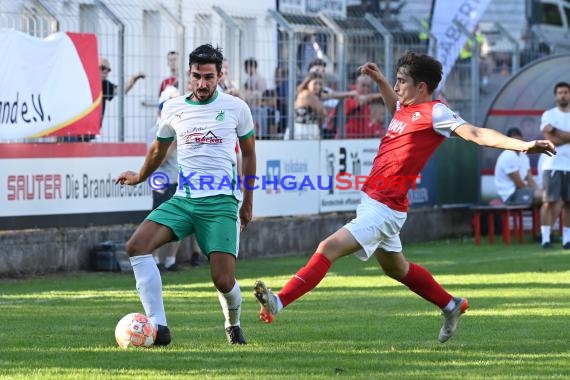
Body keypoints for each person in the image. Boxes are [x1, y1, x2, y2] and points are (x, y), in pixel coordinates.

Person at [254, 51, 555, 343]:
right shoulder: (405, 108)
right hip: (377, 202)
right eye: (396, 81)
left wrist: (523, 146)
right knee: (397, 269)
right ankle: (451, 305)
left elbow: (475, 134)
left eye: (401, 81)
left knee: (328, 247)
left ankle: (279, 301)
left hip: (384, 209)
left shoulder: (436, 112)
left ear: (421, 87)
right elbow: (395, 110)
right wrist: (381, 81)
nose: (397, 87)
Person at [116, 43, 256, 345]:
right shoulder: (173, 107)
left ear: (219, 75)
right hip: (183, 199)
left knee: (223, 280)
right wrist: (140, 176)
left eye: (209, 77)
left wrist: (247, 203)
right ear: (188, 75)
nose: (202, 84)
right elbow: (158, 150)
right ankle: (159, 327)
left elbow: (249, 154)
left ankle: (233, 323)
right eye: (197, 76)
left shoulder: (236, 108)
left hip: (221, 203)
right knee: (137, 246)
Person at [539, 81, 570, 249]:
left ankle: (567, 240)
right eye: (560, 92)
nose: (563, 95)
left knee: (568, 203)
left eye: (565, 92)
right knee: (548, 202)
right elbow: (548, 140)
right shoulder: (548, 114)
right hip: (552, 165)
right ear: (555, 96)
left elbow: (553, 135)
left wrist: (556, 131)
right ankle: (545, 238)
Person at [494, 128, 541, 206]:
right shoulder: (508, 155)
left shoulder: (523, 156)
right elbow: (519, 183)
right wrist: (534, 193)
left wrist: (537, 190)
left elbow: (530, 178)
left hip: (521, 192)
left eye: (519, 140)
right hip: (510, 196)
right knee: (545, 198)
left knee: (547, 197)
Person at [285, 71, 328, 140]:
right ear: (308, 83)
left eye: (320, 84)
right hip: (304, 131)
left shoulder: (306, 94)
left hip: (305, 130)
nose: (318, 86)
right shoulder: (307, 94)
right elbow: (324, 112)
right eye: (315, 83)